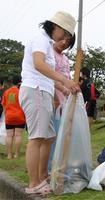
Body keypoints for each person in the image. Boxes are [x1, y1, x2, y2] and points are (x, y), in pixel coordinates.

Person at [19, 11, 79, 194]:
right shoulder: (40, 39)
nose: (65, 39)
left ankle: (42, 175)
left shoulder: (47, 43)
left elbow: (48, 75)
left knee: (49, 136)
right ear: (57, 27)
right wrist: (65, 80)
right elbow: (39, 64)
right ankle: (33, 184)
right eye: (66, 34)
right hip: (35, 89)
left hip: (43, 90)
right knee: (37, 137)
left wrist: (63, 88)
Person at [47, 33, 76, 174]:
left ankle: (59, 166)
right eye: (63, 39)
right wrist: (59, 94)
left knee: (62, 136)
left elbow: (67, 78)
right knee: (51, 137)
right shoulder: (49, 54)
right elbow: (49, 78)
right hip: (54, 100)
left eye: (68, 41)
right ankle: (49, 168)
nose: (64, 42)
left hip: (65, 102)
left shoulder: (65, 58)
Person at [1, 76, 25, 159]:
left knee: (9, 135)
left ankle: (9, 155)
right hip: (20, 117)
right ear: (20, 82)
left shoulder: (7, 92)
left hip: (9, 116)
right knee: (18, 135)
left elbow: (4, 105)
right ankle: (16, 154)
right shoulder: (21, 92)